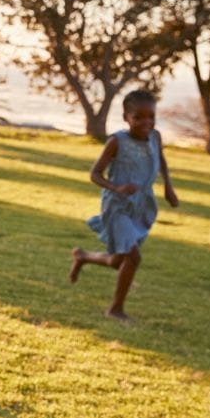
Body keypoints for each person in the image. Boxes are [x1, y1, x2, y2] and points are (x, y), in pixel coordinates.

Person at [69, 89, 178, 320]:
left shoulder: (155, 137)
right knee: (133, 257)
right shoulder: (117, 141)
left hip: (143, 206)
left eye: (151, 116)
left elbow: (162, 162)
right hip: (117, 206)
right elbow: (95, 174)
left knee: (119, 260)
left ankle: (82, 257)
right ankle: (116, 309)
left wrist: (168, 187)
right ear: (126, 117)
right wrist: (116, 188)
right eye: (138, 117)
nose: (146, 122)